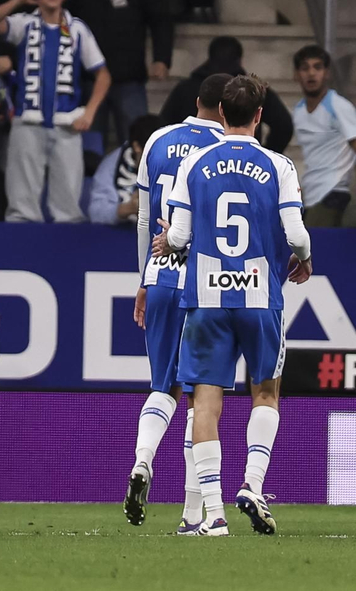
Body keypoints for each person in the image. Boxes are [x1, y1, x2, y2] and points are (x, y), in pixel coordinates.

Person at [158, 74, 314, 537]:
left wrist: (168, 239)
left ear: (221, 113)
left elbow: (181, 237)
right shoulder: (279, 165)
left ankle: (214, 514)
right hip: (260, 296)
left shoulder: (196, 163)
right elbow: (298, 234)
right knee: (265, 394)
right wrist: (302, 260)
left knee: (205, 402)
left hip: (205, 299)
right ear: (260, 116)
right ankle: (252, 483)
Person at [121, 72, 229, 531]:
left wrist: (145, 277)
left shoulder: (158, 141)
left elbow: (147, 218)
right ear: (227, 108)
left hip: (161, 276)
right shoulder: (233, 150)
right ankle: (190, 513)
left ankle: (143, 460)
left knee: (162, 387)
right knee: (201, 398)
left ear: (197, 100)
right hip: (207, 281)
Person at [0, 0, 110, 223]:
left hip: (67, 125)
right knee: (21, 205)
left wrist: (90, 111)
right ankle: (20, 244)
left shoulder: (77, 29)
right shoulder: (24, 24)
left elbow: (103, 74)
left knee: (68, 206)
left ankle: (66, 250)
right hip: (27, 122)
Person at [63, 0, 172, 149]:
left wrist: (162, 58)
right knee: (88, 150)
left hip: (130, 76)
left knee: (139, 148)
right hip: (87, 78)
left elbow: (160, 18)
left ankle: (136, 189)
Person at [157, 35, 293, 151]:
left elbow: (163, 126)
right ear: (240, 60)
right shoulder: (252, 90)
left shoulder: (185, 89)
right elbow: (284, 125)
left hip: (191, 160)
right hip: (242, 163)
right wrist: (264, 154)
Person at [291, 44, 356, 226]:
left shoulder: (338, 106)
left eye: (317, 67)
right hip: (310, 196)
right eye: (305, 68)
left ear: (327, 73)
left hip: (334, 195)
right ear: (296, 75)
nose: (311, 73)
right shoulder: (298, 111)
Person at [89, 113, 159, 226]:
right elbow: (96, 213)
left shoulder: (179, 162)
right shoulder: (112, 165)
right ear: (137, 147)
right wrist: (129, 208)